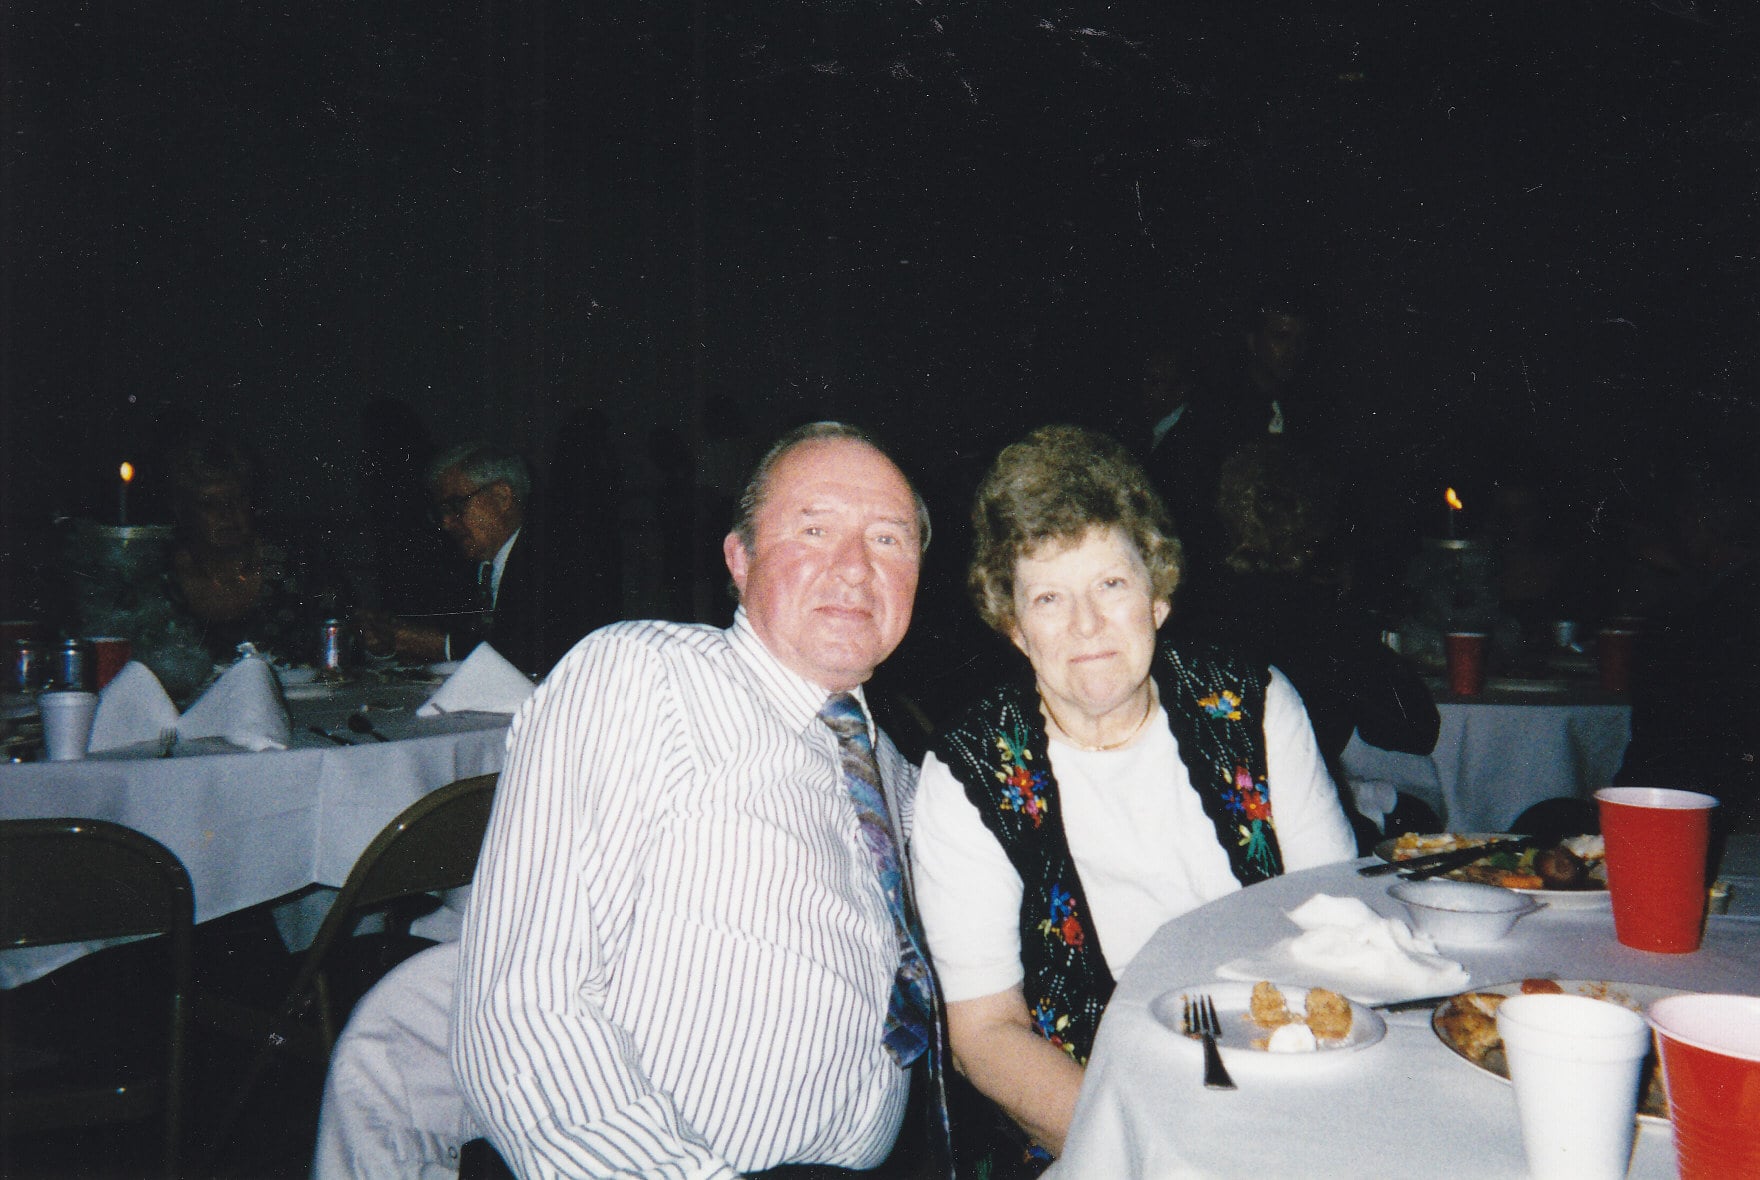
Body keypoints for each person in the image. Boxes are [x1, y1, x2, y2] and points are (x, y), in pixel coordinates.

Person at [449, 422, 944, 1176]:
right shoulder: (646, 679)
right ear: (739, 559)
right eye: (814, 529)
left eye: (888, 539)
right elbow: (525, 1012)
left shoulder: (895, 773)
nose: (854, 567)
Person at [910, 425, 1356, 1171]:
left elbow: (1339, 927)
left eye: (1111, 585)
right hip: (1097, 1127)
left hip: (1287, 1089)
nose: (1085, 624)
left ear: (1157, 595)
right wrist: (1155, 1154)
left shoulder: (1252, 705)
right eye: (1048, 597)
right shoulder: (970, 772)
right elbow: (985, 1034)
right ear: (1015, 626)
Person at [1172, 438, 1440, 848]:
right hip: (1293, 818)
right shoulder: (1324, 616)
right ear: (1314, 523)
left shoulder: (1186, 610)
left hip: (1205, 815)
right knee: (1415, 816)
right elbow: (1414, 730)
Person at [357, 443, 577, 679]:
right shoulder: (457, 565)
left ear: (502, 496)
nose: (446, 523)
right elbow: (421, 641)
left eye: (456, 505)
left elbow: (532, 654)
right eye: (441, 511)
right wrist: (387, 643)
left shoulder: (556, 559)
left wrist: (440, 645)